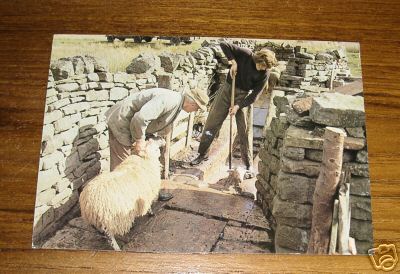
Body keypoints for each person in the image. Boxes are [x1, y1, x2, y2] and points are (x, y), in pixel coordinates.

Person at [190, 42, 277, 178]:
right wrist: (233, 62)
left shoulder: (265, 73)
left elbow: (255, 96)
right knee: (212, 123)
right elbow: (224, 44)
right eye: (262, 65)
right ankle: (202, 154)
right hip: (226, 91)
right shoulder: (246, 55)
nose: (262, 69)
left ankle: (247, 164)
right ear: (259, 59)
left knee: (244, 130)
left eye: (265, 68)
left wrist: (238, 106)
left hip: (243, 98)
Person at [106, 87, 209, 200]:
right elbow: (140, 118)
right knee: (122, 166)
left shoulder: (177, 104)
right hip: (121, 122)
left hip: (133, 127)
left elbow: (158, 122)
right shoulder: (170, 100)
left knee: (144, 164)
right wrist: (140, 140)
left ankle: (146, 196)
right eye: (197, 108)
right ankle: (119, 202)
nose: (196, 111)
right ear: (192, 103)